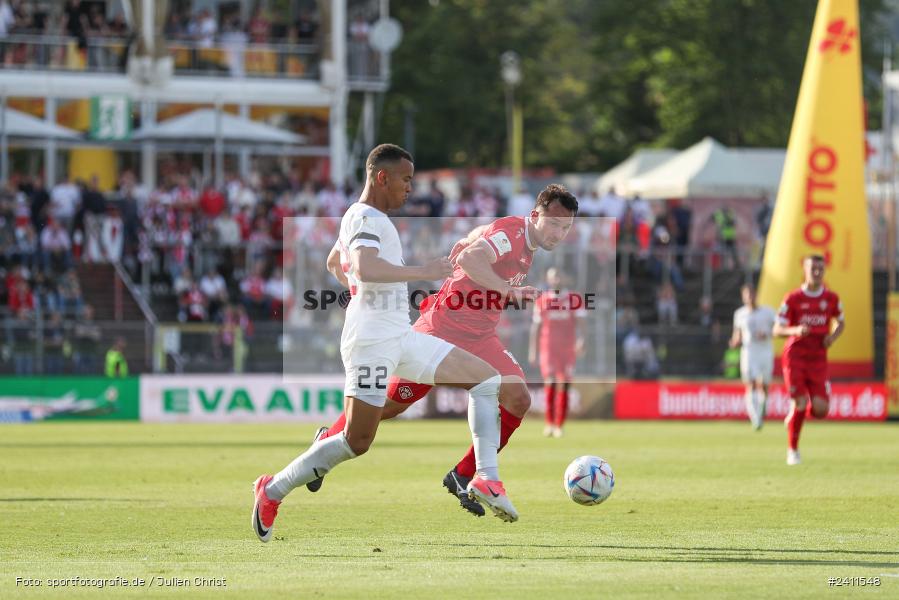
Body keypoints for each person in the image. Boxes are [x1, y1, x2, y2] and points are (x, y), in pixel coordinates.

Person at [252, 144, 519, 543]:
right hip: (372, 342)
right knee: (357, 442)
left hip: (400, 334)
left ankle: (486, 478)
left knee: (486, 380)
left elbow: (334, 264)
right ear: (382, 177)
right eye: (406, 179)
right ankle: (271, 490)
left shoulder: (365, 218)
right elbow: (360, 265)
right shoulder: (364, 216)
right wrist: (421, 271)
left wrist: (363, 292)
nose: (410, 188)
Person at [309, 184, 578, 517]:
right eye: (553, 224)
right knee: (386, 405)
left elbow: (477, 241)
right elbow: (470, 258)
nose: (558, 234)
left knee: (518, 398)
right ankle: (326, 442)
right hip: (442, 329)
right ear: (535, 215)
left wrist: (471, 235)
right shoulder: (514, 231)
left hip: (481, 337)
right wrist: (506, 289)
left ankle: (464, 475)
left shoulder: (521, 238)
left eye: (565, 228)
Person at [772, 255, 844, 466]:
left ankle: (795, 415)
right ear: (804, 269)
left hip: (818, 359)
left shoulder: (831, 298)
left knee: (821, 410)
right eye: (813, 268)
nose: (817, 272)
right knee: (801, 401)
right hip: (795, 357)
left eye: (820, 268)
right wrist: (796, 329)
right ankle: (793, 451)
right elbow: (776, 329)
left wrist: (832, 337)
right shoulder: (792, 298)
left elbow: (841, 322)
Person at [529, 267, 585, 438]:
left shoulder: (574, 299)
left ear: (565, 279)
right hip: (549, 347)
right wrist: (533, 350)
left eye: (559, 277)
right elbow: (536, 327)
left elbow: (582, 322)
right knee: (550, 382)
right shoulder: (542, 300)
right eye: (553, 278)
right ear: (548, 280)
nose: (556, 280)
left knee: (565, 384)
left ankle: (559, 424)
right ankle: (549, 423)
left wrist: (581, 339)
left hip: (567, 348)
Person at [729, 284, 776, 430]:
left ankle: (763, 407)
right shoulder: (739, 314)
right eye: (746, 294)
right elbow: (737, 334)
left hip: (765, 351)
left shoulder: (768, 312)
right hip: (749, 352)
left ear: (756, 295)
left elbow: (777, 329)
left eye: (751, 293)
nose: (749, 297)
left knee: (764, 384)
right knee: (751, 384)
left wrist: (767, 334)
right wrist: (735, 341)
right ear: (743, 297)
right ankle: (755, 418)